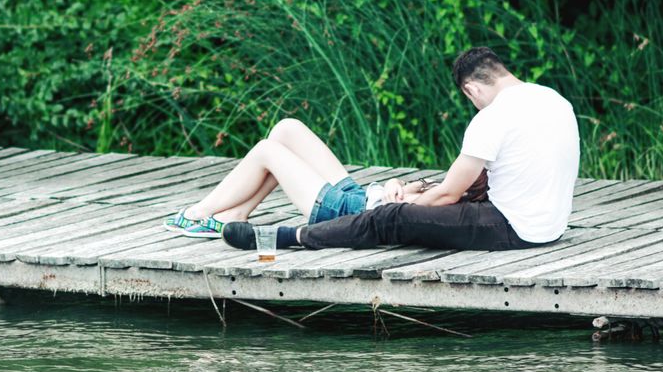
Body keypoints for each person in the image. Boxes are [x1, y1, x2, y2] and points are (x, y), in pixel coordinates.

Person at [221, 46, 580, 251]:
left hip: (512, 229)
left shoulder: (493, 117)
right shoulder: (555, 101)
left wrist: (405, 203)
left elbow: (448, 195)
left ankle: (286, 238)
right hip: (549, 225)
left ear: (471, 90)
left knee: (389, 219)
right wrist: (420, 191)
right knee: (396, 207)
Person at [164, 118, 429, 237]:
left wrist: (403, 195)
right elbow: (418, 189)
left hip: (350, 213)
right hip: (361, 196)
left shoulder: (458, 198)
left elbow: (413, 213)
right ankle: (236, 214)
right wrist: (398, 184)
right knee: (286, 130)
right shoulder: (459, 184)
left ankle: (198, 212)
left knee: (266, 151)